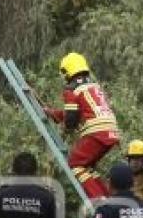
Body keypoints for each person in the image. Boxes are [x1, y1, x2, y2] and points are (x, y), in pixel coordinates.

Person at [43, 52, 120, 199]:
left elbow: (71, 119)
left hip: (96, 132)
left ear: (67, 71)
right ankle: (107, 197)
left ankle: (99, 200)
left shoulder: (71, 90)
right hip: (111, 132)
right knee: (87, 167)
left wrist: (66, 128)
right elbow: (76, 113)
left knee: (75, 164)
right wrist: (52, 113)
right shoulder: (93, 86)